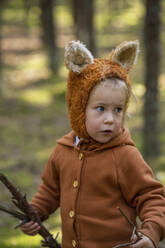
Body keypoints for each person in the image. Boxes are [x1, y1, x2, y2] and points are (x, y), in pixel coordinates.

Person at [21, 40, 165, 248]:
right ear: (79, 108)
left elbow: (151, 197)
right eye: (100, 108)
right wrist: (34, 214)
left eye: (118, 110)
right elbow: (50, 190)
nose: (110, 119)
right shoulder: (64, 150)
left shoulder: (124, 155)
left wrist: (151, 232)